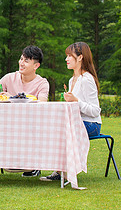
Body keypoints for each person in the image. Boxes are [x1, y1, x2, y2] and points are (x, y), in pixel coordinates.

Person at [40, 41, 102, 182]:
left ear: (80, 57)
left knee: (62, 131)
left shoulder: (87, 79)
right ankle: (60, 170)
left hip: (92, 125)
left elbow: (95, 110)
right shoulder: (71, 80)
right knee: (52, 128)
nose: (66, 59)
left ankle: (64, 171)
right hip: (77, 123)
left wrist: (76, 102)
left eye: (69, 56)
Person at [0, 45, 49, 178]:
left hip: (30, 123)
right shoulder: (8, 78)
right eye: (21, 59)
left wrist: (13, 98)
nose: (21, 63)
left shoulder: (42, 83)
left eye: (26, 61)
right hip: (5, 122)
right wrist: (2, 97)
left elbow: (42, 105)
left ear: (36, 66)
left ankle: (33, 165)